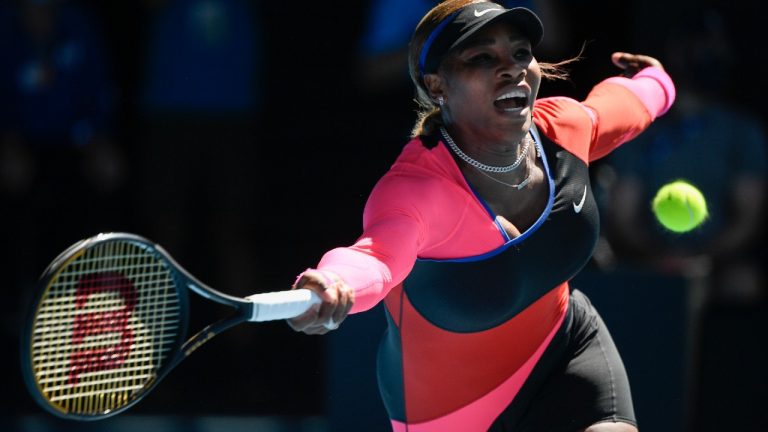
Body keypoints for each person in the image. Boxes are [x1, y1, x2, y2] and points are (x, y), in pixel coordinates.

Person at [288, 1, 675, 431]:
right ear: (437, 86)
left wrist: (656, 78)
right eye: (483, 58)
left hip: (565, 349)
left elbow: (629, 104)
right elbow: (374, 257)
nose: (511, 69)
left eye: (520, 53)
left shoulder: (562, 129)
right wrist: (336, 283)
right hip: (449, 411)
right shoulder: (417, 188)